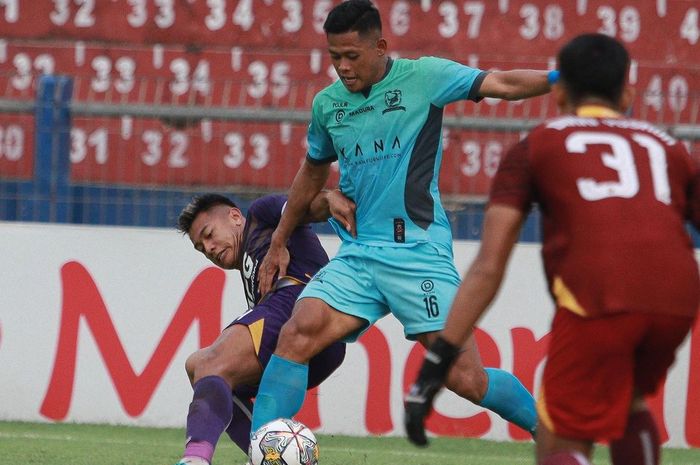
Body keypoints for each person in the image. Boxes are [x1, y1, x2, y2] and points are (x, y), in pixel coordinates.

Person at [251, 0, 555, 442]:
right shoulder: (328, 105)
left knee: (466, 379)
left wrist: (559, 79)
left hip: (417, 252)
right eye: (335, 56)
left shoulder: (424, 77)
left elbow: (502, 83)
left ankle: (552, 434)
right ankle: (263, 448)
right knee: (298, 332)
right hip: (358, 253)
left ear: (380, 46)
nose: (342, 67)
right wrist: (280, 238)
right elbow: (312, 171)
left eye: (352, 56)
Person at [405, 32, 700, 465]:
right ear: (627, 93)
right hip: (676, 298)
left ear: (559, 91)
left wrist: (440, 356)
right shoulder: (670, 146)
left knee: (560, 440)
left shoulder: (536, 148)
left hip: (600, 299)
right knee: (630, 401)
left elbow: (489, 267)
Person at [173, 191, 354, 465]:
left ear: (235, 216)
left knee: (209, 364)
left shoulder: (261, 214)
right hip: (316, 346)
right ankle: (265, 458)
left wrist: (329, 200)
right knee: (201, 368)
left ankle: (194, 460)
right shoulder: (252, 272)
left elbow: (301, 207)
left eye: (209, 234)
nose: (208, 248)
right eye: (200, 247)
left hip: (298, 305)